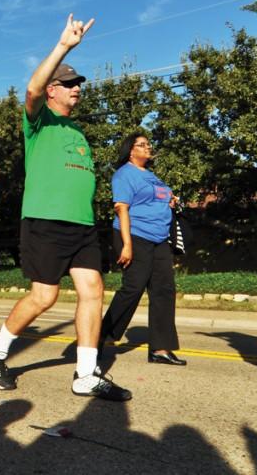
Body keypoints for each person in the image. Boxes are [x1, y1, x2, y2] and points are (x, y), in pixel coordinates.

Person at [0, 14, 131, 401]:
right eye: (68, 84)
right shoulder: (38, 122)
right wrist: (64, 46)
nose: (76, 88)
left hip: (80, 225)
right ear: (52, 91)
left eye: (78, 83)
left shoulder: (78, 131)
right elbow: (30, 89)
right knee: (44, 297)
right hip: (45, 221)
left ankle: (85, 373)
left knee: (93, 288)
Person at [98, 132, 185, 366]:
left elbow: (156, 199)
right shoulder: (124, 174)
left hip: (159, 239)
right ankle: (97, 340)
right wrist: (126, 245)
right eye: (142, 145)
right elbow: (122, 209)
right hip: (134, 236)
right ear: (130, 150)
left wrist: (170, 201)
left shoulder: (153, 176)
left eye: (148, 144)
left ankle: (161, 348)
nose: (148, 147)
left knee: (164, 290)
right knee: (133, 288)